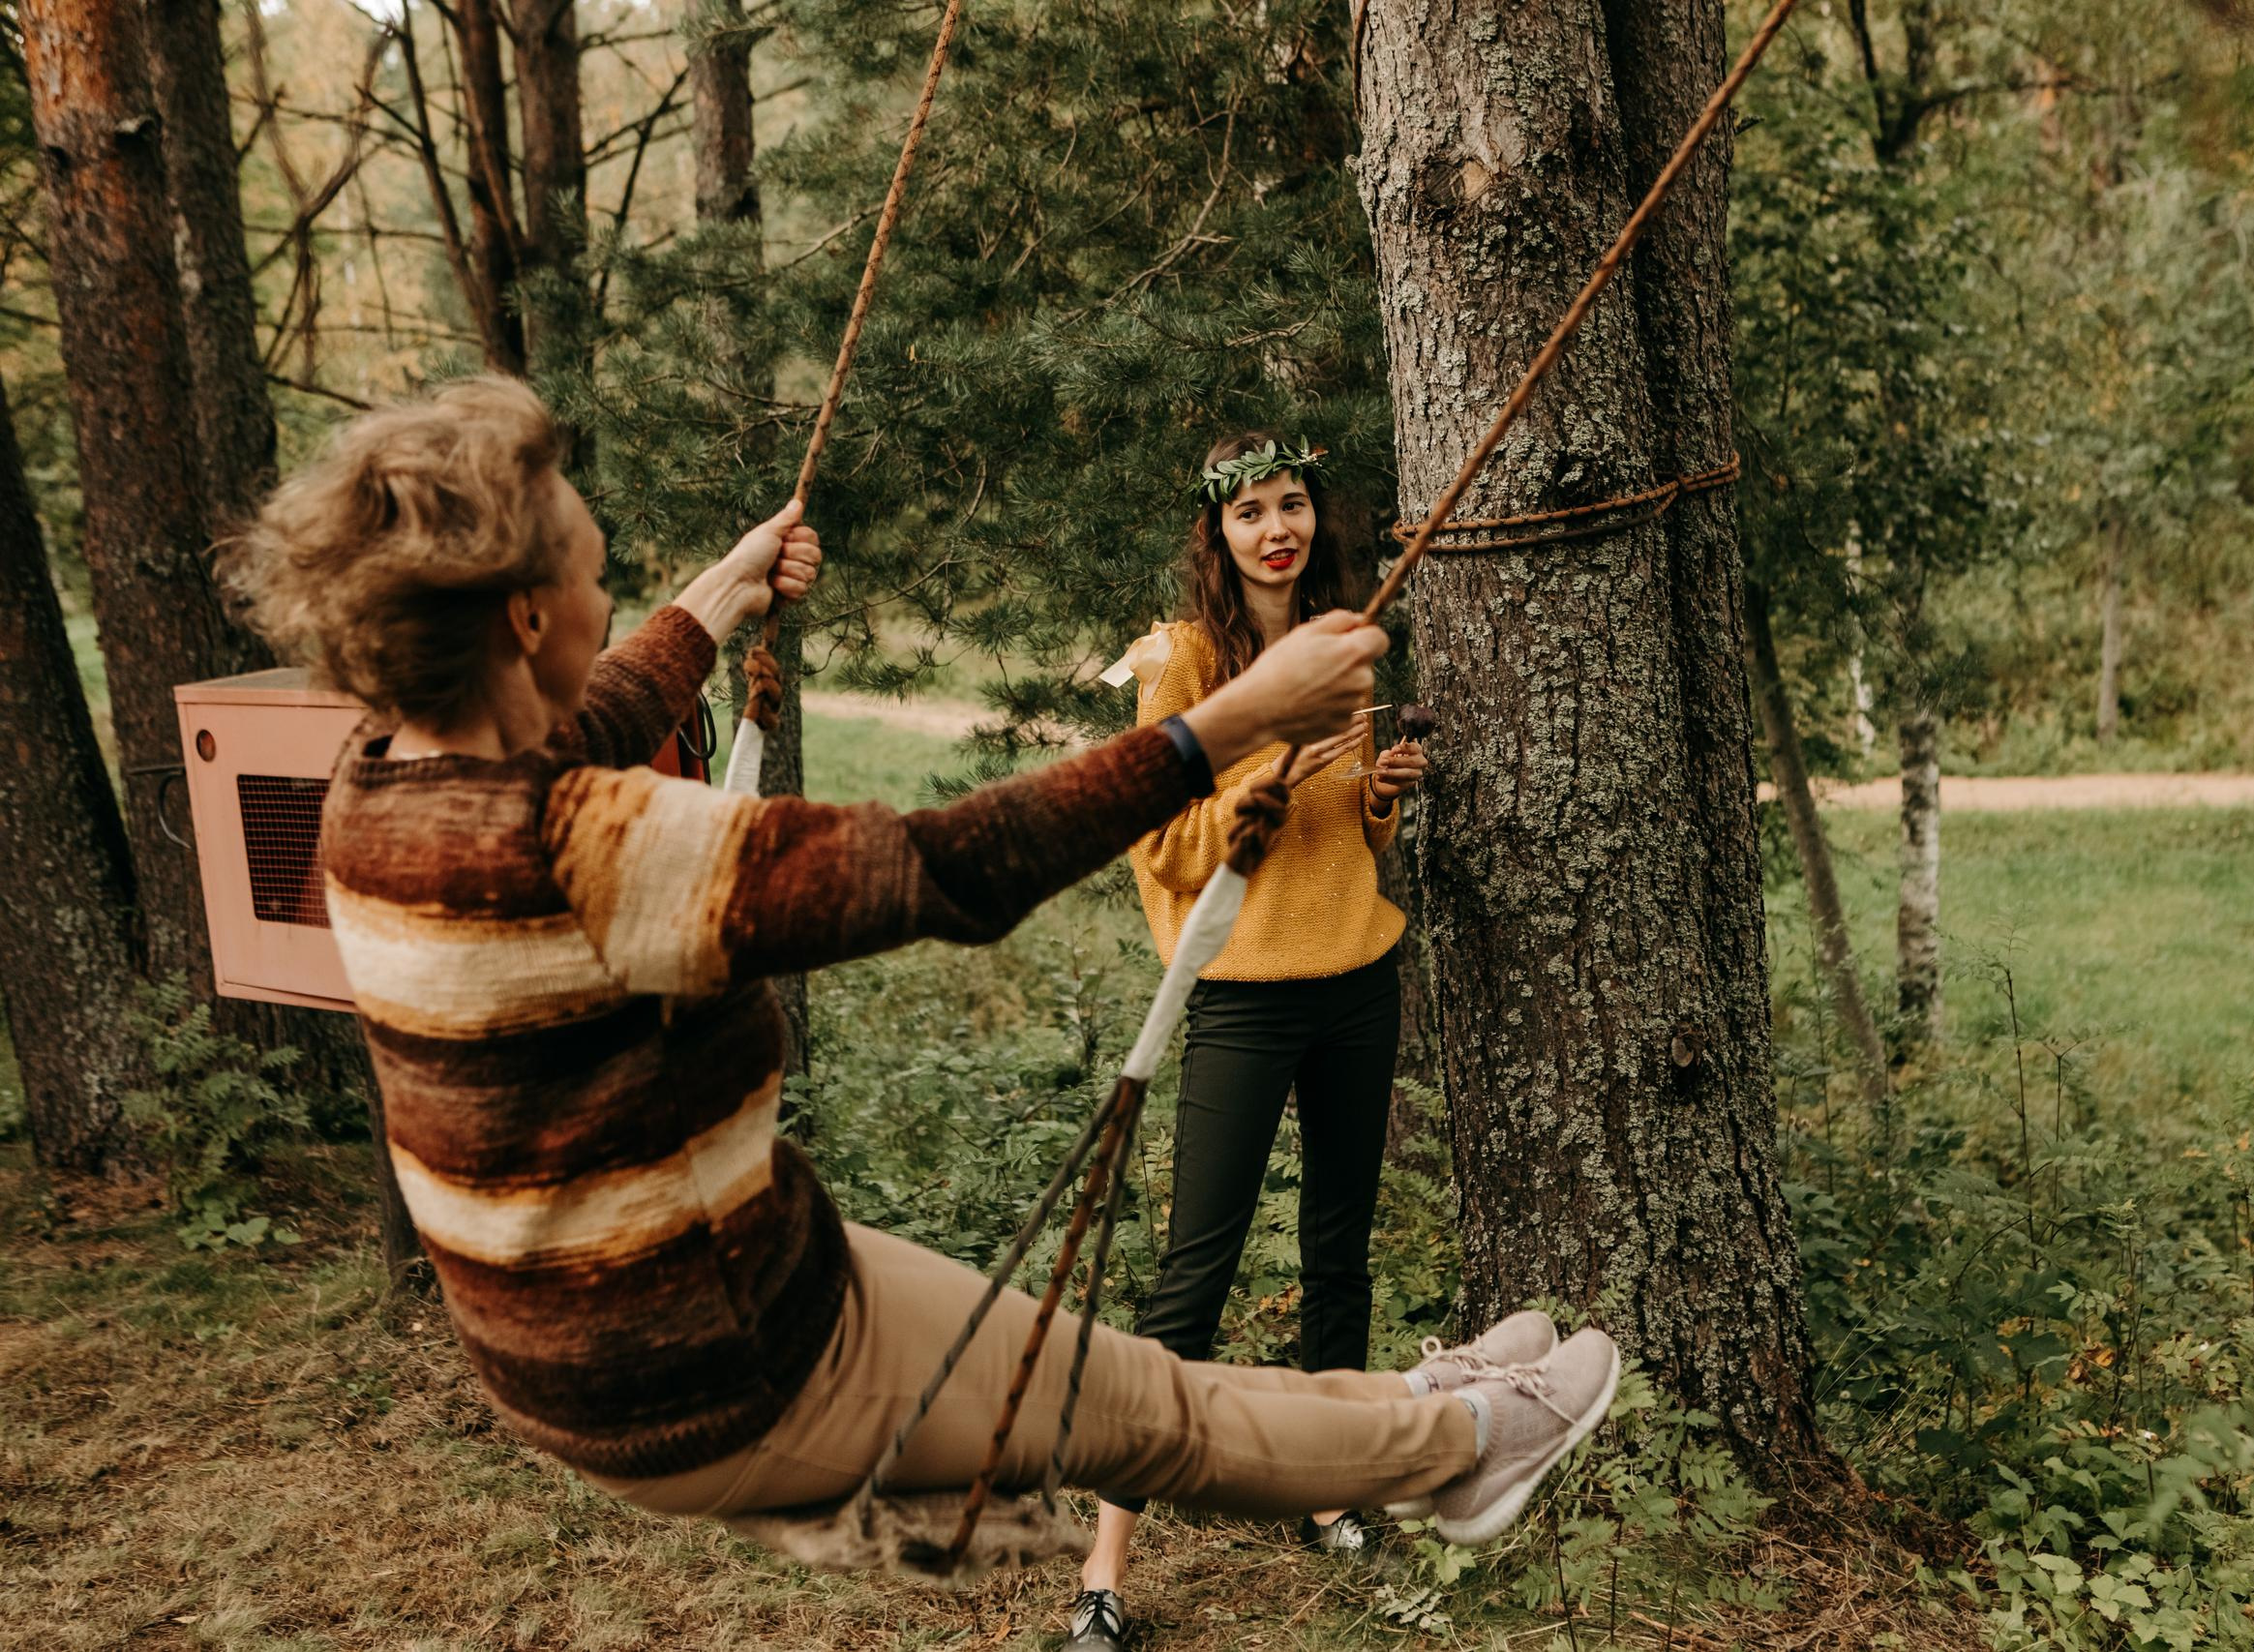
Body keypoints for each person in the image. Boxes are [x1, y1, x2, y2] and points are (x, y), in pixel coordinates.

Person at [224, 378, 1619, 1628]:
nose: (609, 595)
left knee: (1134, 1376)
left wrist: (726, 588)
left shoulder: (380, 782)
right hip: (715, 1369)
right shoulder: (580, 844)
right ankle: (1464, 1451)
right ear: (527, 613)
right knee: (1147, 1412)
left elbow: (603, 696)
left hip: (660, 1316)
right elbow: (951, 865)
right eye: (595, 567)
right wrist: (1234, 724)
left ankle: (1411, 1405)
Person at [1059, 435, 1562, 1650]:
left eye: (1291, 505)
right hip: (1240, 991)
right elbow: (1166, 844)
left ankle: (1332, 1488)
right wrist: (1275, 767)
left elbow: (1350, 848)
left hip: (1357, 977)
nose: (1275, 527)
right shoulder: (1182, 662)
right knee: (1197, 1270)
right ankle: (1103, 1567)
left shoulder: (1341, 641)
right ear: (1215, 535)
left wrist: (1377, 787)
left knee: (1341, 1251)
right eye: (1248, 511)